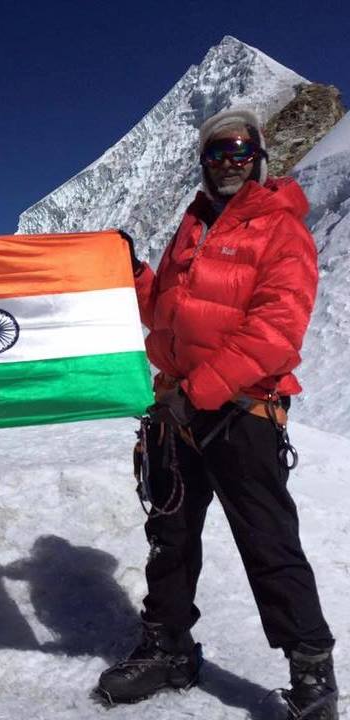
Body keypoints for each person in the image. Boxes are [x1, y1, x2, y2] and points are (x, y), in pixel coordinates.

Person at [96, 109, 338, 720]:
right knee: (171, 538)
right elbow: (168, 314)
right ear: (204, 163)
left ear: (257, 157)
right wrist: (136, 274)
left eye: (238, 150)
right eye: (215, 152)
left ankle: (312, 676)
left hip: (240, 413)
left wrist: (198, 389)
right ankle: (169, 648)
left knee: (268, 543)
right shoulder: (193, 228)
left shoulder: (280, 229)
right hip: (179, 412)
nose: (227, 161)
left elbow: (277, 332)